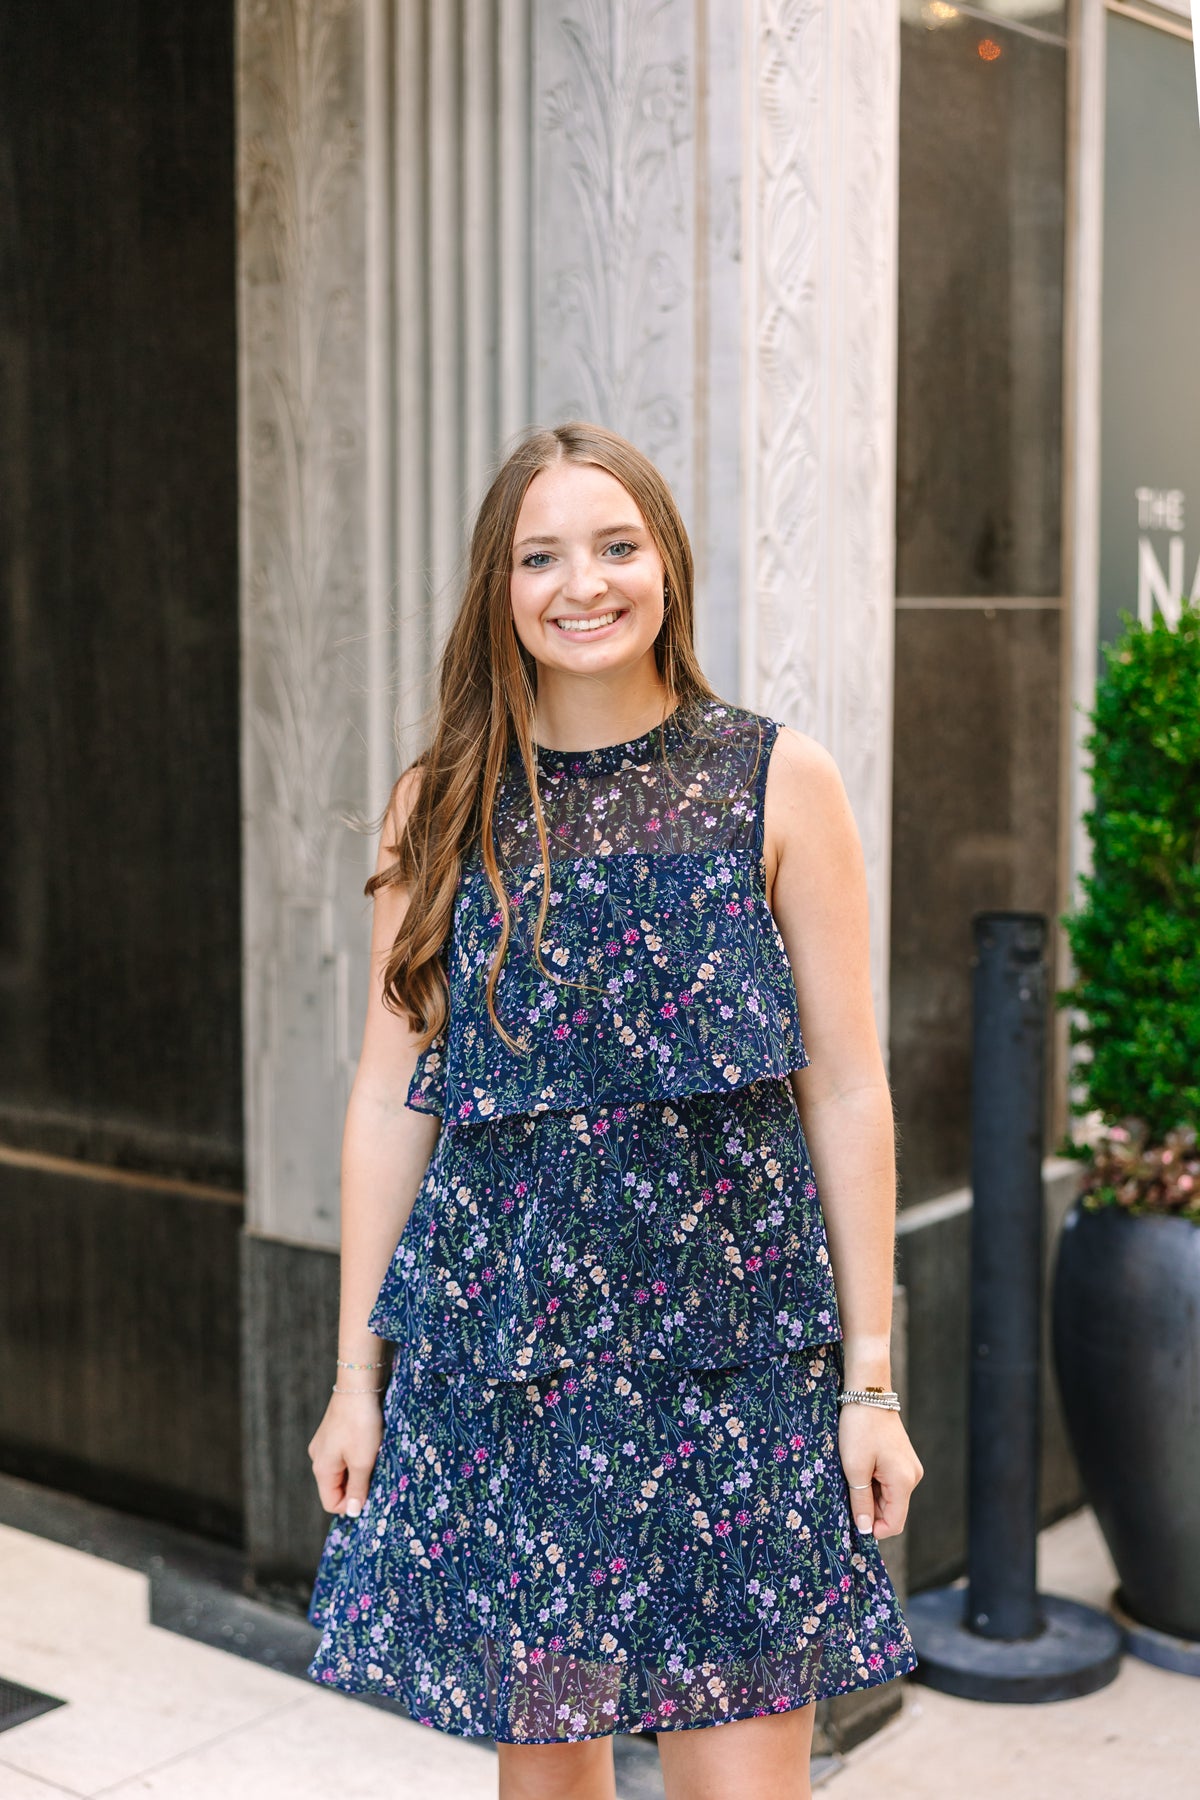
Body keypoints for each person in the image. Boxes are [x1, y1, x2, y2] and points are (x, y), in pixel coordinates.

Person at [305, 420, 923, 1798]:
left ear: (666, 565)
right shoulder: (446, 804)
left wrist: (870, 1386)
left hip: (739, 1368)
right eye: (541, 555)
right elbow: (387, 1099)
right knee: (552, 1777)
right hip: (523, 1375)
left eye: (615, 544)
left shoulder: (777, 780)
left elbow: (851, 1087)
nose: (582, 583)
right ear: (499, 590)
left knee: (744, 1782)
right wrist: (358, 1380)